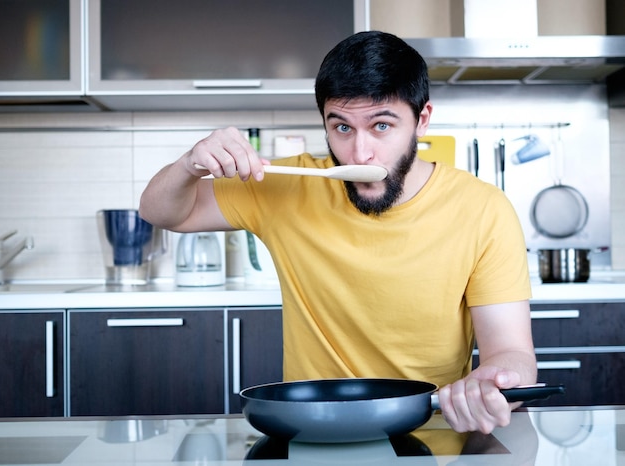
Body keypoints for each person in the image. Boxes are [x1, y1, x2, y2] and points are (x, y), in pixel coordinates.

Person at [139, 30, 537, 434]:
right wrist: (190, 163)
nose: (360, 152)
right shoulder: (284, 185)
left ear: (422, 121)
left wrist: (493, 384)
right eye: (342, 128)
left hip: (435, 433)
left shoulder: (482, 209)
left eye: (382, 126)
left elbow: (512, 352)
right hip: (313, 434)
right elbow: (160, 211)